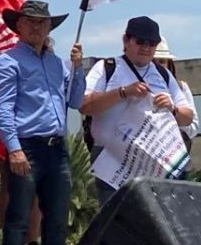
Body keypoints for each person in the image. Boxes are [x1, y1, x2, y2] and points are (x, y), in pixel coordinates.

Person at [0, 1, 84, 245]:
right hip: (27, 146)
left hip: (56, 148)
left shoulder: (57, 64)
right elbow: (2, 109)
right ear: (18, 25)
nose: (36, 26)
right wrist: (14, 149)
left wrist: (78, 69)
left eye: (42, 22)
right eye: (30, 21)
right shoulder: (7, 61)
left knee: (57, 220)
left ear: (49, 27)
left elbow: (75, 100)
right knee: (18, 218)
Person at [81, 16, 194, 205]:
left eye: (152, 43)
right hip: (112, 158)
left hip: (153, 158)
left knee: (156, 223)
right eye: (140, 41)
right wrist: (123, 92)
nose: (146, 47)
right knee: (116, 222)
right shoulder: (107, 67)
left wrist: (172, 109)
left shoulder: (163, 74)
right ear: (126, 41)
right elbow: (85, 104)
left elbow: (187, 117)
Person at [154, 37, 198, 151]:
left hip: (174, 149)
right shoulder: (138, 88)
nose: (158, 66)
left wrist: (173, 111)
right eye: (153, 61)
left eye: (162, 61)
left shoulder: (181, 87)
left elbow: (193, 126)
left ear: (169, 64)